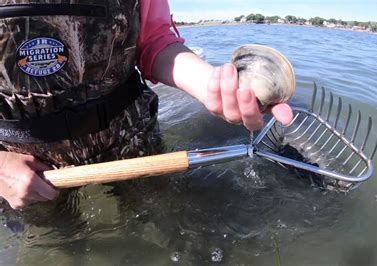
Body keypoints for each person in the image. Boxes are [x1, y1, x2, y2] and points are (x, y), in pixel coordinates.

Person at [0, 0, 293, 210]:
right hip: (26, 166)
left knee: (161, 215)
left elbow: (155, 40)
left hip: (131, 141)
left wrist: (210, 86)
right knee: (59, 245)